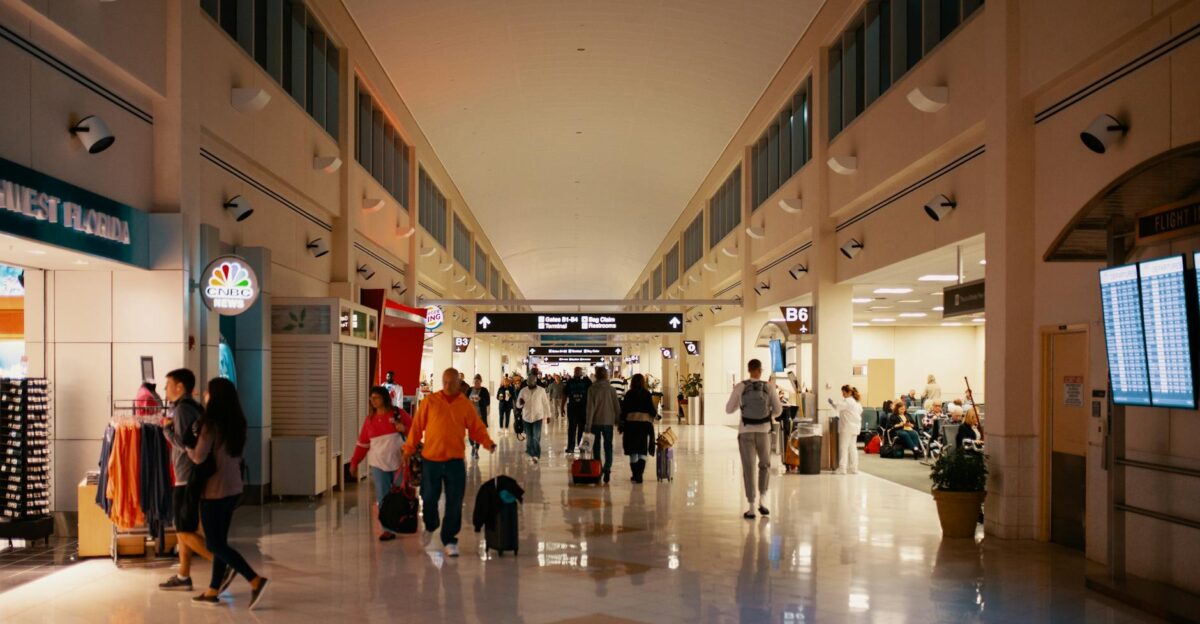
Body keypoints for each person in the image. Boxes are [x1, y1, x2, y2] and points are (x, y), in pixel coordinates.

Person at [187, 378, 269, 609]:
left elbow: (198, 457)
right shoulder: (237, 423)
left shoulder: (209, 425)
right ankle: (213, 590)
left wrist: (183, 444)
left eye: (207, 392)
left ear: (215, 397)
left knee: (214, 545)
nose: (204, 395)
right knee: (220, 540)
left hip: (213, 490)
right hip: (233, 488)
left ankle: (255, 579)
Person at [402, 367, 495, 557]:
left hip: (454, 462)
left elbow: (476, 427)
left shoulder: (464, 404)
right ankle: (431, 525)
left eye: (451, 382)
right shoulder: (431, 401)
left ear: (458, 384)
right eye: (444, 382)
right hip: (431, 460)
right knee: (428, 497)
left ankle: (450, 539)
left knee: (454, 502)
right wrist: (408, 449)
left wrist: (487, 442)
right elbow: (417, 427)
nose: (447, 385)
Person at [158, 369, 216, 592]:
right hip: (193, 474)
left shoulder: (182, 410)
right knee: (185, 527)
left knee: (182, 529)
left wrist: (166, 432)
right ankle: (183, 575)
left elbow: (185, 445)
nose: (165, 390)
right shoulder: (195, 408)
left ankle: (221, 562)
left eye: (168, 385)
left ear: (180, 387)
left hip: (186, 476)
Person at [349, 386, 411, 541]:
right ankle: (387, 529)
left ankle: (400, 522)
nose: (373, 401)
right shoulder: (370, 420)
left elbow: (414, 431)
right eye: (371, 398)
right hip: (378, 464)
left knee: (400, 495)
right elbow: (362, 444)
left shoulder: (398, 413)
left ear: (384, 398)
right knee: (383, 497)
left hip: (399, 462)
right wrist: (354, 462)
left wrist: (404, 429)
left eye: (376, 397)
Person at [725, 359, 782, 519]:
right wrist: (767, 413)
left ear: (749, 369)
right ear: (760, 370)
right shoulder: (769, 387)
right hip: (764, 431)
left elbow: (728, 409)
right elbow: (778, 411)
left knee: (749, 468)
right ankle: (763, 501)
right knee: (764, 465)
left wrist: (741, 406)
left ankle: (751, 507)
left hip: (746, 432)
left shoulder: (741, 387)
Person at [585, 367, 621, 484]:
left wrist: (588, 426)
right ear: (606, 376)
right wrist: (618, 420)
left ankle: (598, 468)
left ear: (596, 375)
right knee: (608, 446)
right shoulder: (611, 390)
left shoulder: (592, 389)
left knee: (596, 447)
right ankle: (607, 468)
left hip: (595, 422)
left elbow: (590, 409)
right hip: (608, 422)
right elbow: (616, 406)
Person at [619, 374, 657, 483]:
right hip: (644, 426)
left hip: (631, 425)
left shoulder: (629, 394)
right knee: (642, 450)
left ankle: (635, 474)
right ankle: (640, 474)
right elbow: (651, 408)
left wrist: (621, 423)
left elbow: (624, 410)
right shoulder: (646, 394)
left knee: (633, 451)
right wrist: (655, 415)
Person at [829, 385, 864, 475]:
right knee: (853, 447)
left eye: (844, 393)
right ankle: (854, 468)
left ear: (849, 392)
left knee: (843, 447)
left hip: (847, 427)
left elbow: (838, 406)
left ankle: (842, 468)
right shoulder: (857, 403)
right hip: (855, 427)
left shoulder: (848, 401)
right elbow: (858, 412)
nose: (843, 394)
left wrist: (831, 402)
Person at [518, 371, 551, 463]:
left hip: (538, 417)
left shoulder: (541, 390)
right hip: (526, 417)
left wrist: (548, 415)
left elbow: (546, 404)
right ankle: (530, 453)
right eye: (528, 383)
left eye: (531, 383)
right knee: (529, 437)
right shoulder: (523, 391)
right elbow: (518, 405)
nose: (529, 385)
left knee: (536, 437)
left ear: (535, 382)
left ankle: (536, 455)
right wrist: (520, 404)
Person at [563, 367, 592, 454]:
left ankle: (582, 447)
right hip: (572, 409)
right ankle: (571, 447)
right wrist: (562, 407)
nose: (577, 373)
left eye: (578, 371)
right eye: (576, 371)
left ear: (581, 372)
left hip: (583, 409)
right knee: (572, 429)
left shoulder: (587, 381)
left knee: (582, 429)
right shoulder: (570, 382)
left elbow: (592, 393)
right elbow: (564, 394)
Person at [468, 375, 491, 459]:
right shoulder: (470, 390)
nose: (476, 383)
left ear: (480, 382)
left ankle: (476, 450)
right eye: (475, 382)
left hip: (480, 416)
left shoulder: (484, 390)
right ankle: (472, 446)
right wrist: (470, 401)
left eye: (477, 382)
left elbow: (488, 402)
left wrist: (480, 399)